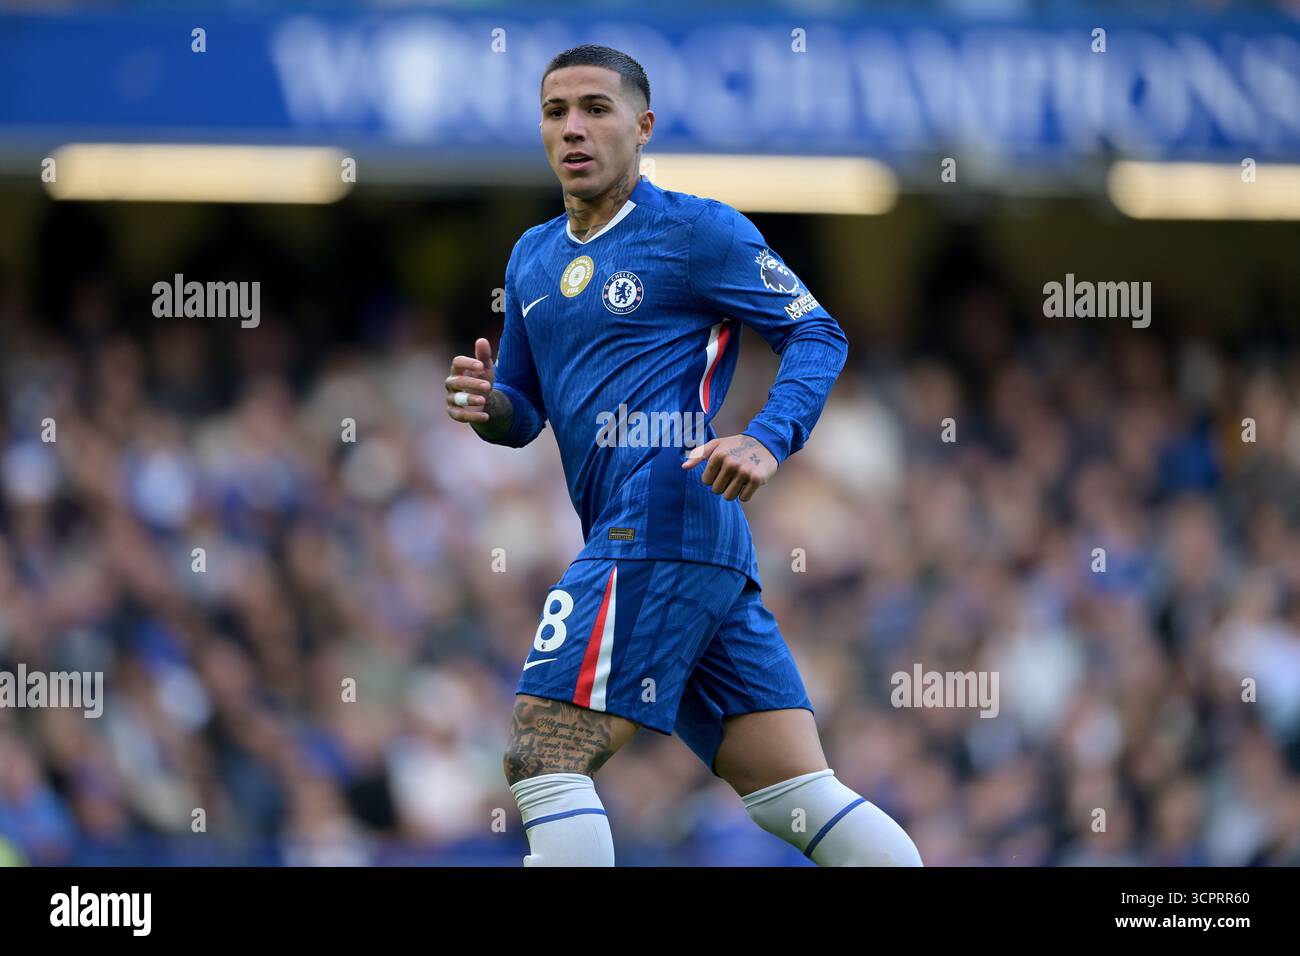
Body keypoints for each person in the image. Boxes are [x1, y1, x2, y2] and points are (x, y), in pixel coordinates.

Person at [445, 44, 922, 867]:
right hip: (684, 548)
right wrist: (491, 409)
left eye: (597, 108)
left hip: (660, 518)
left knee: (544, 753)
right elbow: (525, 414)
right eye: (556, 111)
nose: (574, 128)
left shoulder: (696, 231)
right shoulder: (531, 255)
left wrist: (768, 436)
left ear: (644, 125)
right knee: (794, 795)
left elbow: (815, 330)